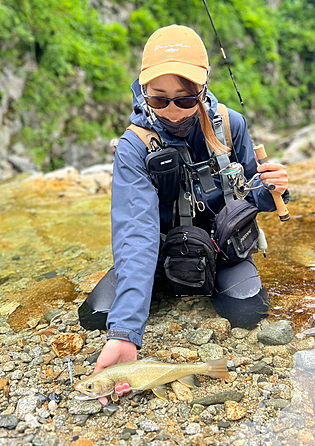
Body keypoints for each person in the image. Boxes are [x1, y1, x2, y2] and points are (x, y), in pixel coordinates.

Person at [78, 25, 289, 401]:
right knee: (97, 317)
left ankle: (178, 287)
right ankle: (156, 288)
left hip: (221, 254)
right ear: (143, 92)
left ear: (203, 90)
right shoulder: (133, 146)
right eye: (159, 100)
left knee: (248, 315)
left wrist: (276, 190)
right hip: (158, 255)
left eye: (186, 99)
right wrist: (126, 334)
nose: (172, 112)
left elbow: (252, 199)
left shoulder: (230, 125)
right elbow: (136, 232)